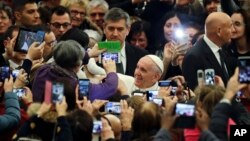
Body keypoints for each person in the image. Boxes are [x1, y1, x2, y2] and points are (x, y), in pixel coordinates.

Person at [182, 12, 237, 90]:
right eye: (230, 26)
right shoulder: (193, 57)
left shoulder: (221, 49)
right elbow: (197, 95)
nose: (233, 30)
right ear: (219, 31)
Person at [103, 7, 148, 76]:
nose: (115, 34)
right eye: (111, 28)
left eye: (120, 29)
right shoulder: (93, 54)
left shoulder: (141, 55)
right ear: (104, 28)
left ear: (128, 30)